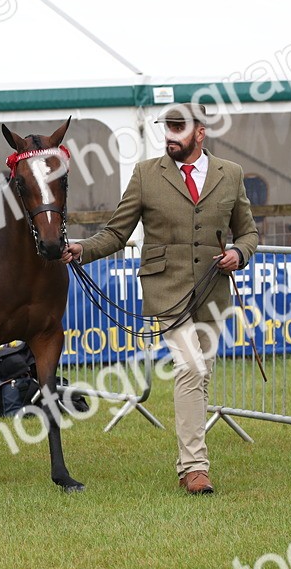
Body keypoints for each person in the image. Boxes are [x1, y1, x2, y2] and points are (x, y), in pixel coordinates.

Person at [62, 104, 258, 495]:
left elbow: (248, 232)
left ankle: (187, 464)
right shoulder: (146, 174)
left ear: (199, 133)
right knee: (191, 368)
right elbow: (116, 234)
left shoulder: (231, 174)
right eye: (167, 128)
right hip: (166, 290)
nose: (170, 136)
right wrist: (82, 248)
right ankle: (197, 467)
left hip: (213, 291)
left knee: (201, 376)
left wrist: (240, 253)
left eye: (178, 129)